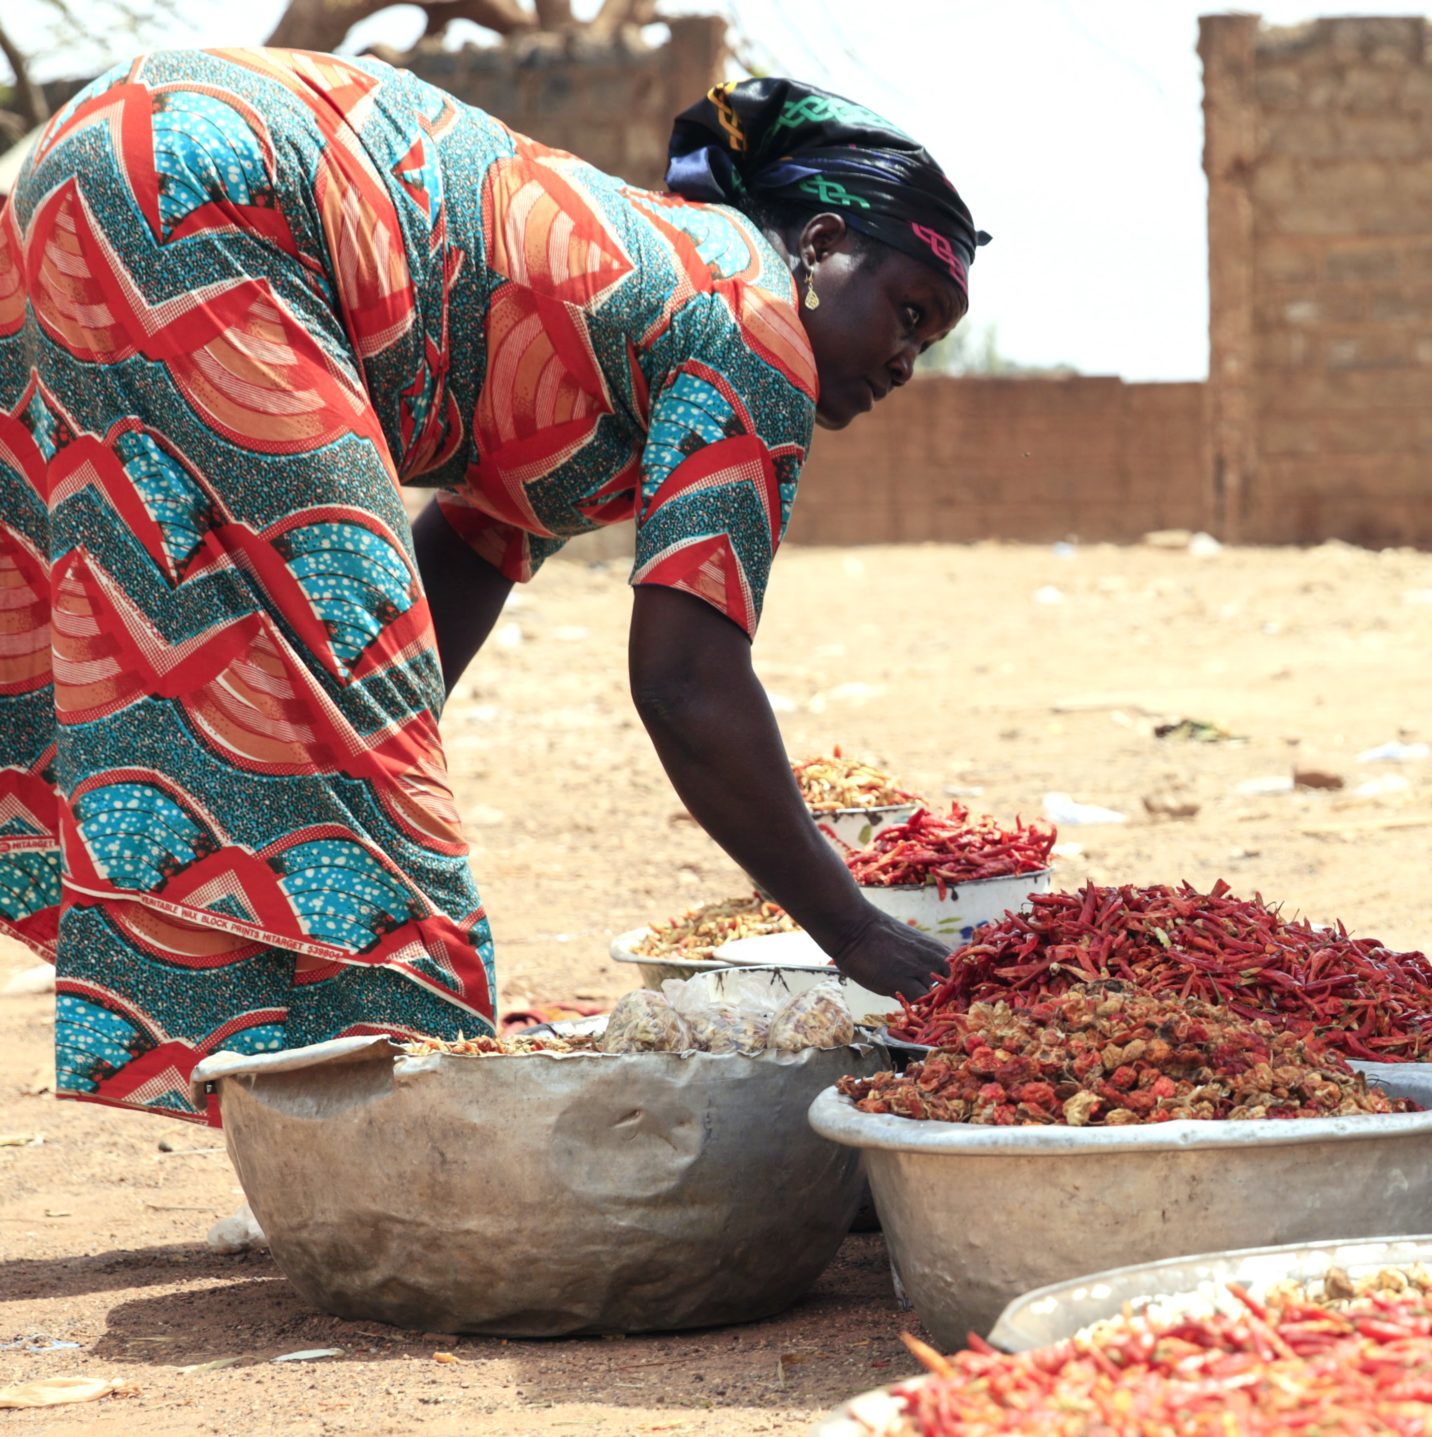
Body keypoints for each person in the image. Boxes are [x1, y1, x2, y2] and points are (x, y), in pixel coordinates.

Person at [0, 51, 978, 1122]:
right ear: (824, 246)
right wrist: (856, 933)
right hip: (221, 187)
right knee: (312, 667)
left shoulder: (647, 306)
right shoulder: (756, 327)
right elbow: (688, 682)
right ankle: (404, 1135)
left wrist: (375, 747)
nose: (907, 364)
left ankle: (308, 1102)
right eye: (910, 312)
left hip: (92, 160)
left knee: (205, 638)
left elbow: (466, 560)